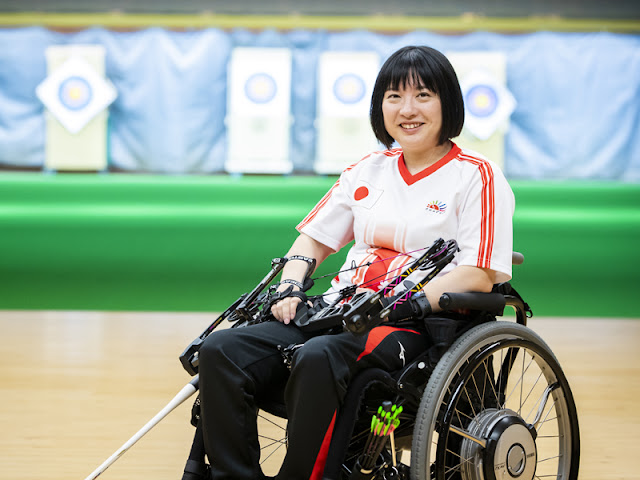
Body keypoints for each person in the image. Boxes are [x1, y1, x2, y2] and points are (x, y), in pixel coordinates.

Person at [195, 45, 514, 480]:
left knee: (320, 355)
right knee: (221, 351)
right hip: (340, 311)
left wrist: (403, 303)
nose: (407, 110)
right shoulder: (367, 169)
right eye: (394, 96)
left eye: (423, 95)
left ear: (449, 104)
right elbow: (312, 240)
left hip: (413, 324)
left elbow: (477, 272)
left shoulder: (477, 175)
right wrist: (290, 285)